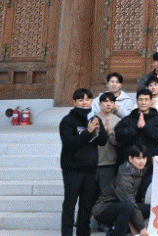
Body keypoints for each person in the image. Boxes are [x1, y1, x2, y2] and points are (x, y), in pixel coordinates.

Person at [60, 88, 107, 236]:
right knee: (70, 204)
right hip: (72, 169)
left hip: (90, 169)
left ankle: (83, 233)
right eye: (81, 100)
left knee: (86, 205)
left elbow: (102, 141)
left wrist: (99, 131)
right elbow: (69, 143)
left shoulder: (94, 118)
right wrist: (88, 131)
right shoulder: (67, 121)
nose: (85, 102)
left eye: (88, 99)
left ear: (92, 101)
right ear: (74, 102)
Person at [114, 89, 158, 201]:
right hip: (130, 165)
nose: (143, 102)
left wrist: (145, 127)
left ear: (151, 102)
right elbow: (119, 135)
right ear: (137, 101)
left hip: (149, 165)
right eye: (141, 99)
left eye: (146, 100)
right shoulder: (129, 119)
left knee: (146, 194)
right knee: (129, 195)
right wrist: (136, 128)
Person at [92, 145, 151, 236]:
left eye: (144, 158)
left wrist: (156, 162)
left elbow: (147, 170)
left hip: (120, 205)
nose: (142, 161)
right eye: (138, 158)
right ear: (130, 159)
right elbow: (131, 204)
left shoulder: (137, 170)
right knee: (128, 207)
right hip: (102, 209)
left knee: (150, 209)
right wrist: (142, 228)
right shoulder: (124, 178)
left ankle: (113, 233)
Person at [95, 93, 121, 194]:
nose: (108, 104)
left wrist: (109, 132)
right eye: (105, 101)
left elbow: (118, 142)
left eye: (111, 102)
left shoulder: (117, 120)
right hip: (93, 162)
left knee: (107, 194)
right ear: (100, 104)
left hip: (109, 163)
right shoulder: (92, 119)